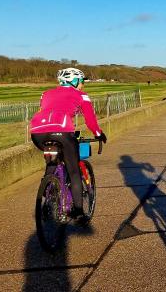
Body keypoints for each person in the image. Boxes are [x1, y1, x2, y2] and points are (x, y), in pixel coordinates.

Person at [30, 68, 107, 220]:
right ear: (75, 81)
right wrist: (99, 134)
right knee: (73, 171)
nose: (83, 85)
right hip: (63, 133)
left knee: (52, 162)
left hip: (37, 133)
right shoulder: (82, 95)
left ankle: (48, 191)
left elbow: (44, 111)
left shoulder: (45, 94)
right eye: (82, 81)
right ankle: (78, 212)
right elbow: (90, 120)